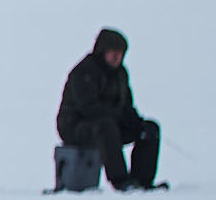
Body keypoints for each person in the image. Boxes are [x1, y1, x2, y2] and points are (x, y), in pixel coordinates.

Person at [55, 25, 163, 191]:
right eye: (112, 52)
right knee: (106, 126)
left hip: (109, 124)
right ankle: (120, 180)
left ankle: (142, 182)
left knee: (149, 129)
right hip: (75, 127)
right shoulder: (83, 72)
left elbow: (126, 105)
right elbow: (88, 108)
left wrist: (135, 122)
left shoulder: (121, 74)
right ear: (102, 51)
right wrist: (120, 117)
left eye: (120, 53)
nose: (116, 57)